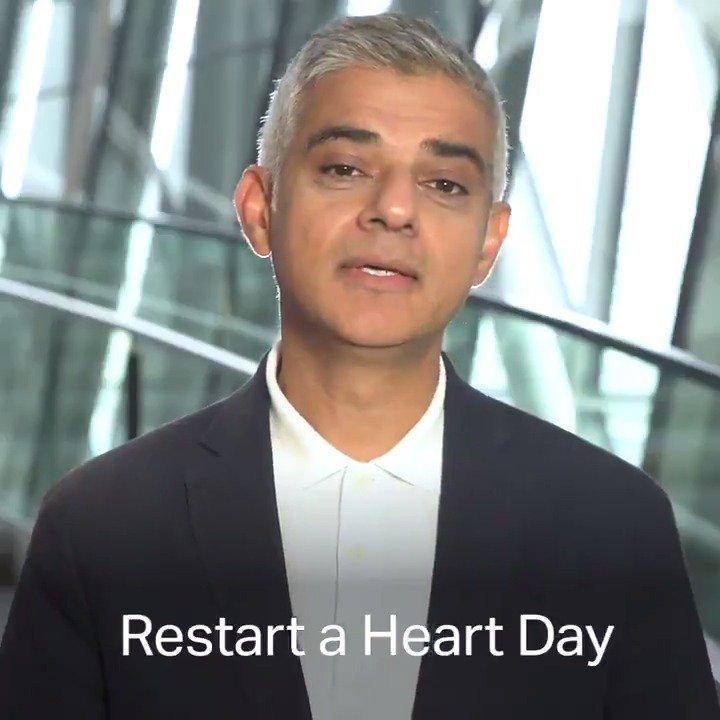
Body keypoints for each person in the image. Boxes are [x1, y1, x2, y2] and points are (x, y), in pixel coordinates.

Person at [0, 12, 717, 720]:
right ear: (259, 208)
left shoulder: (614, 531)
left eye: (444, 184)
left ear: (488, 242)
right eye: (345, 169)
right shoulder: (101, 531)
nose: (394, 209)